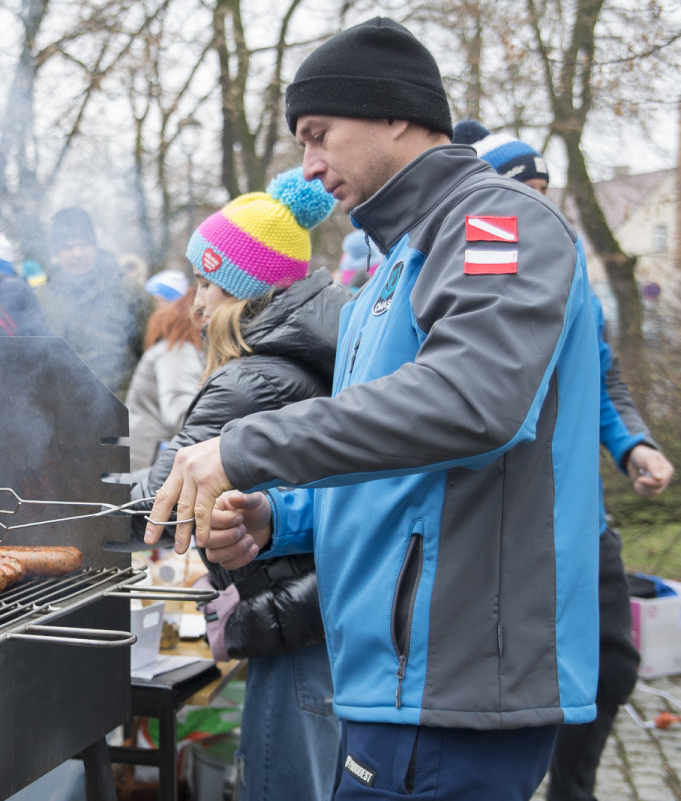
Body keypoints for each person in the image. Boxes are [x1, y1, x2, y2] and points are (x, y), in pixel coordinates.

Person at [146, 17, 601, 800]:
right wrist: (277, 517)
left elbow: (471, 402)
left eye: (320, 135)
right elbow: (388, 459)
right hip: (389, 676)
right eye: (300, 143)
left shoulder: (496, 223)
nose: (310, 168)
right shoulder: (391, 267)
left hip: (456, 681)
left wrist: (244, 448)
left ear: (396, 113)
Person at [454, 120, 677, 801]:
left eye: (547, 191)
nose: (540, 207)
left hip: (584, 512)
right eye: (526, 192)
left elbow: (601, 375)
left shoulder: (571, 257)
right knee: (498, 683)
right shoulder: (474, 259)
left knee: (613, 665)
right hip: (502, 518)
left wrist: (633, 442)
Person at [131, 168, 347, 801]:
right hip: (315, 610)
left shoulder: (246, 380)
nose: (195, 303)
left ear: (246, 290)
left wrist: (71, 511)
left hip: (295, 626)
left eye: (209, 281)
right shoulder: (311, 354)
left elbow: (158, 503)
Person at [35, 207, 149, 397]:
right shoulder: (43, 299)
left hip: (122, 405)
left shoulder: (128, 291)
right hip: (67, 410)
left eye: (84, 245)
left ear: (95, 245)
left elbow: (151, 350)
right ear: (57, 252)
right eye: (69, 247)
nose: (78, 254)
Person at [124, 270, 203, 472]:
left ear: (176, 306)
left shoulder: (176, 351)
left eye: (157, 302)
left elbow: (179, 413)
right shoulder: (173, 348)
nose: (151, 310)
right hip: (143, 459)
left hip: (148, 464)